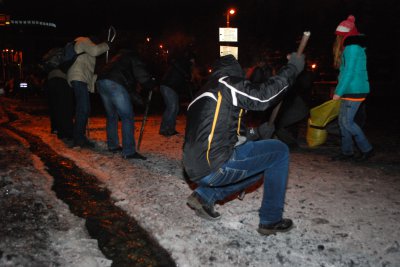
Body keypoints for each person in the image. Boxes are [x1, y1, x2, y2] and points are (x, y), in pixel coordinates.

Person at [182, 53, 305, 235]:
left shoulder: (201, 95)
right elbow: (263, 97)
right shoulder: (226, 83)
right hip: (216, 166)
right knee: (279, 151)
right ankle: (271, 220)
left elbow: (231, 134)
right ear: (235, 71)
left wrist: (258, 133)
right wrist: (292, 68)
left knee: (260, 165)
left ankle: (204, 196)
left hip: (196, 170)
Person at [96, 49, 157, 160]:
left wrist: (141, 101)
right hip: (114, 83)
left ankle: (113, 145)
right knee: (127, 117)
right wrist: (149, 83)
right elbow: (141, 73)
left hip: (101, 82)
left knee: (112, 115)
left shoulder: (117, 59)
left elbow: (129, 91)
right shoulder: (133, 55)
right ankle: (129, 151)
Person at [331, 15, 374, 162]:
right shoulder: (351, 47)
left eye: (340, 36)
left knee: (347, 122)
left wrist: (338, 92)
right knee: (342, 122)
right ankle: (347, 151)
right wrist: (339, 90)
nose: (338, 39)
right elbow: (344, 72)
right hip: (350, 89)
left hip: (355, 89)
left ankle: (367, 148)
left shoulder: (352, 47)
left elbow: (349, 72)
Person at [67, 36, 110, 148]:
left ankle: (79, 137)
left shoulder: (79, 43)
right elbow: (96, 51)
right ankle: (78, 139)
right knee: (83, 109)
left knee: (83, 109)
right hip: (79, 78)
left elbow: (87, 69)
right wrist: (107, 45)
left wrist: (97, 77)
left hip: (79, 77)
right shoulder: (84, 40)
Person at [159, 52, 195, 137]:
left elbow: (184, 79)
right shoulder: (185, 64)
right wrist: (189, 74)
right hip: (168, 86)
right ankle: (165, 129)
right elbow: (186, 76)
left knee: (174, 108)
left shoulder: (182, 64)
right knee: (172, 107)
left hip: (171, 87)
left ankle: (170, 128)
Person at [43, 67, 74, 142]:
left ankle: (55, 128)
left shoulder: (51, 57)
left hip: (51, 78)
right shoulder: (64, 56)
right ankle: (66, 132)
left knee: (54, 105)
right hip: (62, 77)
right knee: (65, 106)